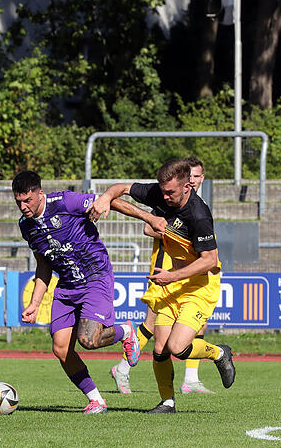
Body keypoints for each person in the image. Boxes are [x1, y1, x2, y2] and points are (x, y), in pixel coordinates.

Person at [88, 158, 236, 414]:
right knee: (159, 348)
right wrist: (104, 198)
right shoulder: (159, 192)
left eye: (171, 192)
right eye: (163, 191)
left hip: (200, 285)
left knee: (178, 348)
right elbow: (120, 188)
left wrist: (172, 277)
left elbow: (209, 260)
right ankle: (167, 402)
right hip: (173, 281)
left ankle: (219, 354)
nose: (165, 196)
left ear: (187, 187)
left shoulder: (198, 215)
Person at [14, 170, 166, 414]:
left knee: (89, 340)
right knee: (61, 348)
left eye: (27, 200)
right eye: (18, 201)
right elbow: (43, 263)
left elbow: (110, 202)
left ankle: (126, 331)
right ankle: (96, 400)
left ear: (39, 193)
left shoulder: (64, 202)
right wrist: (35, 302)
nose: (23, 206)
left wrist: (149, 218)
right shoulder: (26, 226)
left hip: (95, 275)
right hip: (66, 285)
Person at [109, 156, 214, 395]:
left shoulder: (198, 206)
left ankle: (191, 378)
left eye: (198, 177)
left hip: (187, 274)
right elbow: (150, 226)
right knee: (153, 326)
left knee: (196, 327)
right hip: (163, 267)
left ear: (198, 180)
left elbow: (206, 252)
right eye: (192, 176)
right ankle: (124, 367)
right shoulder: (168, 199)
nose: (195, 180)